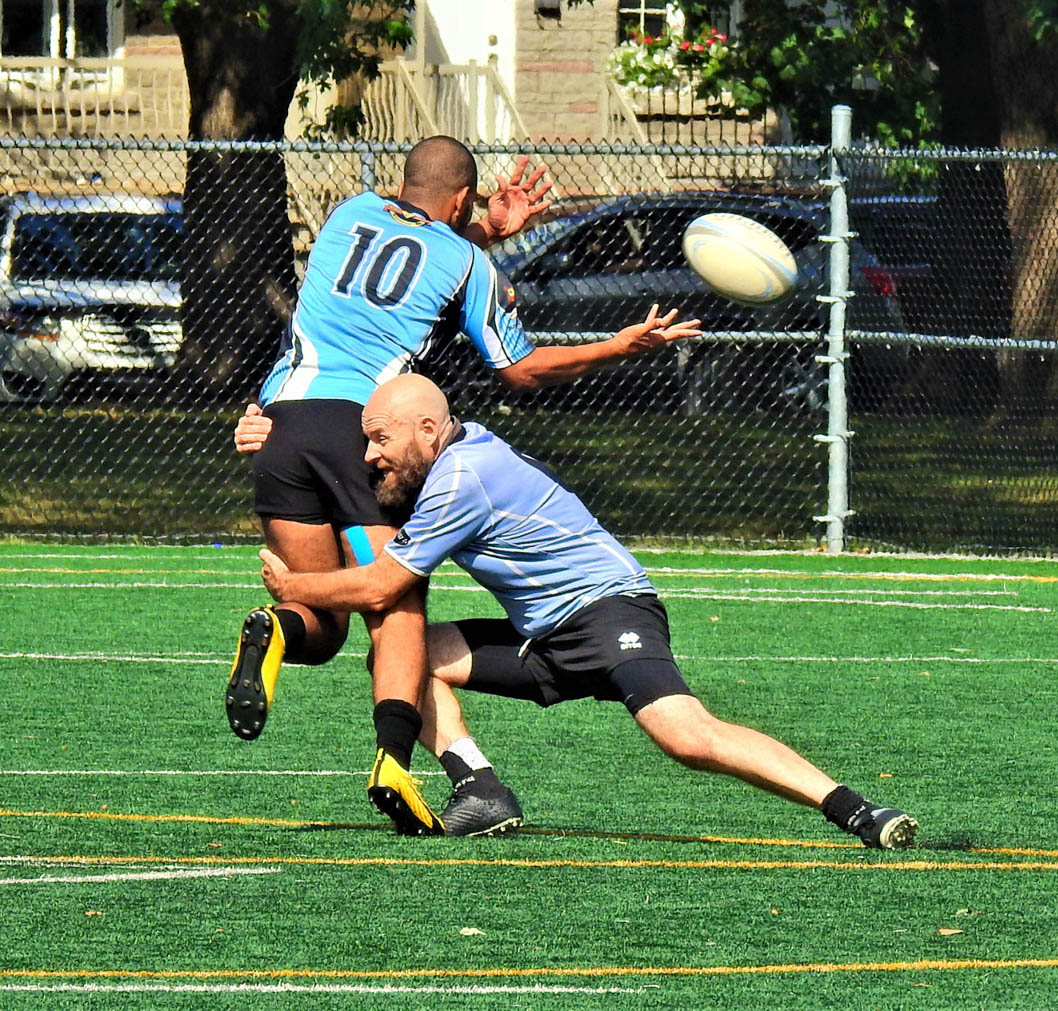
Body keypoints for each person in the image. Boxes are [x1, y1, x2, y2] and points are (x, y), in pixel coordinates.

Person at [227, 135, 702, 836]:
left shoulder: (347, 213)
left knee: (322, 628)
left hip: (280, 425)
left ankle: (277, 632)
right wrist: (618, 345)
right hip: (364, 430)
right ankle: (393, 760)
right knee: (395, 601)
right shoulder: (467, 261)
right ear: (460, 199)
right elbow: (521, 368)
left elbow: (408, 254)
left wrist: (483, 229)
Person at [251, 373, 918, 848]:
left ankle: (853, 807)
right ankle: (479, 787)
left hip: (605, 611)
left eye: (380, 439)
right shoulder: (455, 451)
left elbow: (378, 587)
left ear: (429, 429)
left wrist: (297, 585)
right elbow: (384, 512)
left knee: (686, 734)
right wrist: (267, 430)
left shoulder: (461, 477)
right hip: (545, 633)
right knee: (404, 654)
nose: (370, 455)